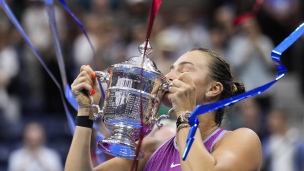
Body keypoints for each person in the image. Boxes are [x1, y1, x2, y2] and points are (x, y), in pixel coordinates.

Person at [65, 47, 262, 171]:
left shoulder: (242, 140)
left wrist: (185, 115)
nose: (168, 76)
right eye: (171, 69)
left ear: (213, 89)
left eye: (184, 69)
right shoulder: (151, 148)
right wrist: (86, 111)